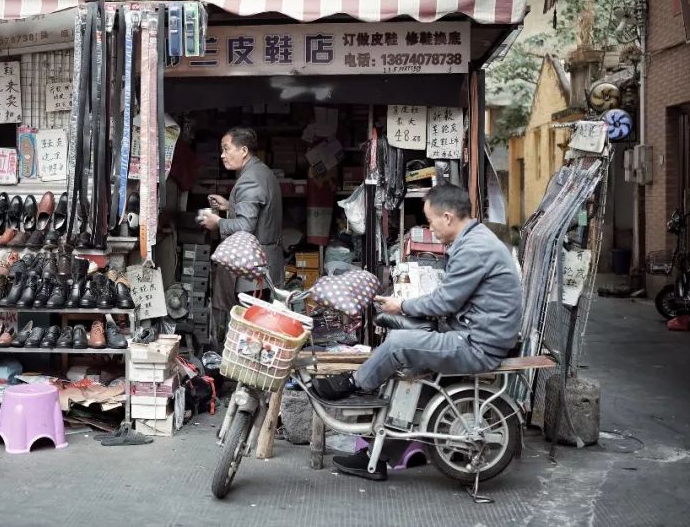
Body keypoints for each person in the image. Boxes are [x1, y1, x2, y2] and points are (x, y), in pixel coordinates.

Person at [315, 183, 523, 480]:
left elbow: (445, 301)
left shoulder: (475, 248)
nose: (430, 228)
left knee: (399, 343)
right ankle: (378, 455)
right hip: (473, 333)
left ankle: (353, 383)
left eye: (431, 221)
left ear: (448, 217)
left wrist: (402, 306)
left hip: (477, 343)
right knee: (409, 369)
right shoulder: (475, 240)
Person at [201, 127, 284, 315]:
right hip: (265, 264)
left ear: (243, 150)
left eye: (226, 149)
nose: (222, 155)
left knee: (249, 326)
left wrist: (218, 223)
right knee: (258, 323)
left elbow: (246, 226)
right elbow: (259, 211)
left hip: (252, 270)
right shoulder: (261, 171)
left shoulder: (250, 179)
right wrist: (230, 206)